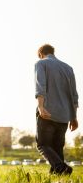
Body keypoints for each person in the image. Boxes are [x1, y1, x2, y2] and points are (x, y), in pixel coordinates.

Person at [35, 44, 78, 175]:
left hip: (47, 113)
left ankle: (62, 168)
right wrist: (74, 117)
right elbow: (74, 95)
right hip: (64, 115)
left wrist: (41, 106)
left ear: (41, 54)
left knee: (42, 145)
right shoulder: (68, 68)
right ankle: (59, 178)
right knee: (57, 148)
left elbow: (40, 86)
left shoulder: (41, 63)